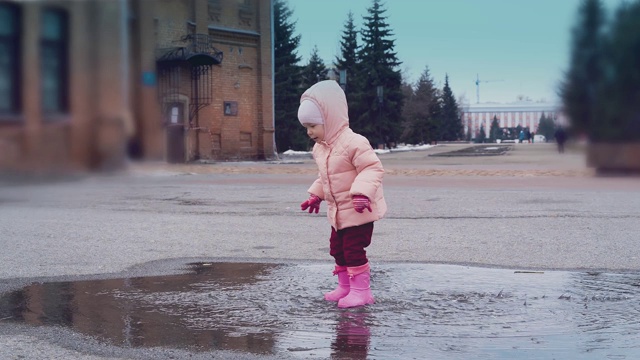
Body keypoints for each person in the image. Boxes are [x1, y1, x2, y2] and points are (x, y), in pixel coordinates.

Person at [298, 80, 387, 308]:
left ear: (330, 119)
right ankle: (345, 287)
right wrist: (316, 195)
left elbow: (372, 168)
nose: (309, 132)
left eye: (313, 126)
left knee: (353, 249)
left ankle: (362, 291)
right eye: (306, 127)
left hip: (359, 210)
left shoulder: (354, 142)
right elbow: (326, 176)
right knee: (337, 249)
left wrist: (361, 193)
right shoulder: (321, 148)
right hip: (338, 213)